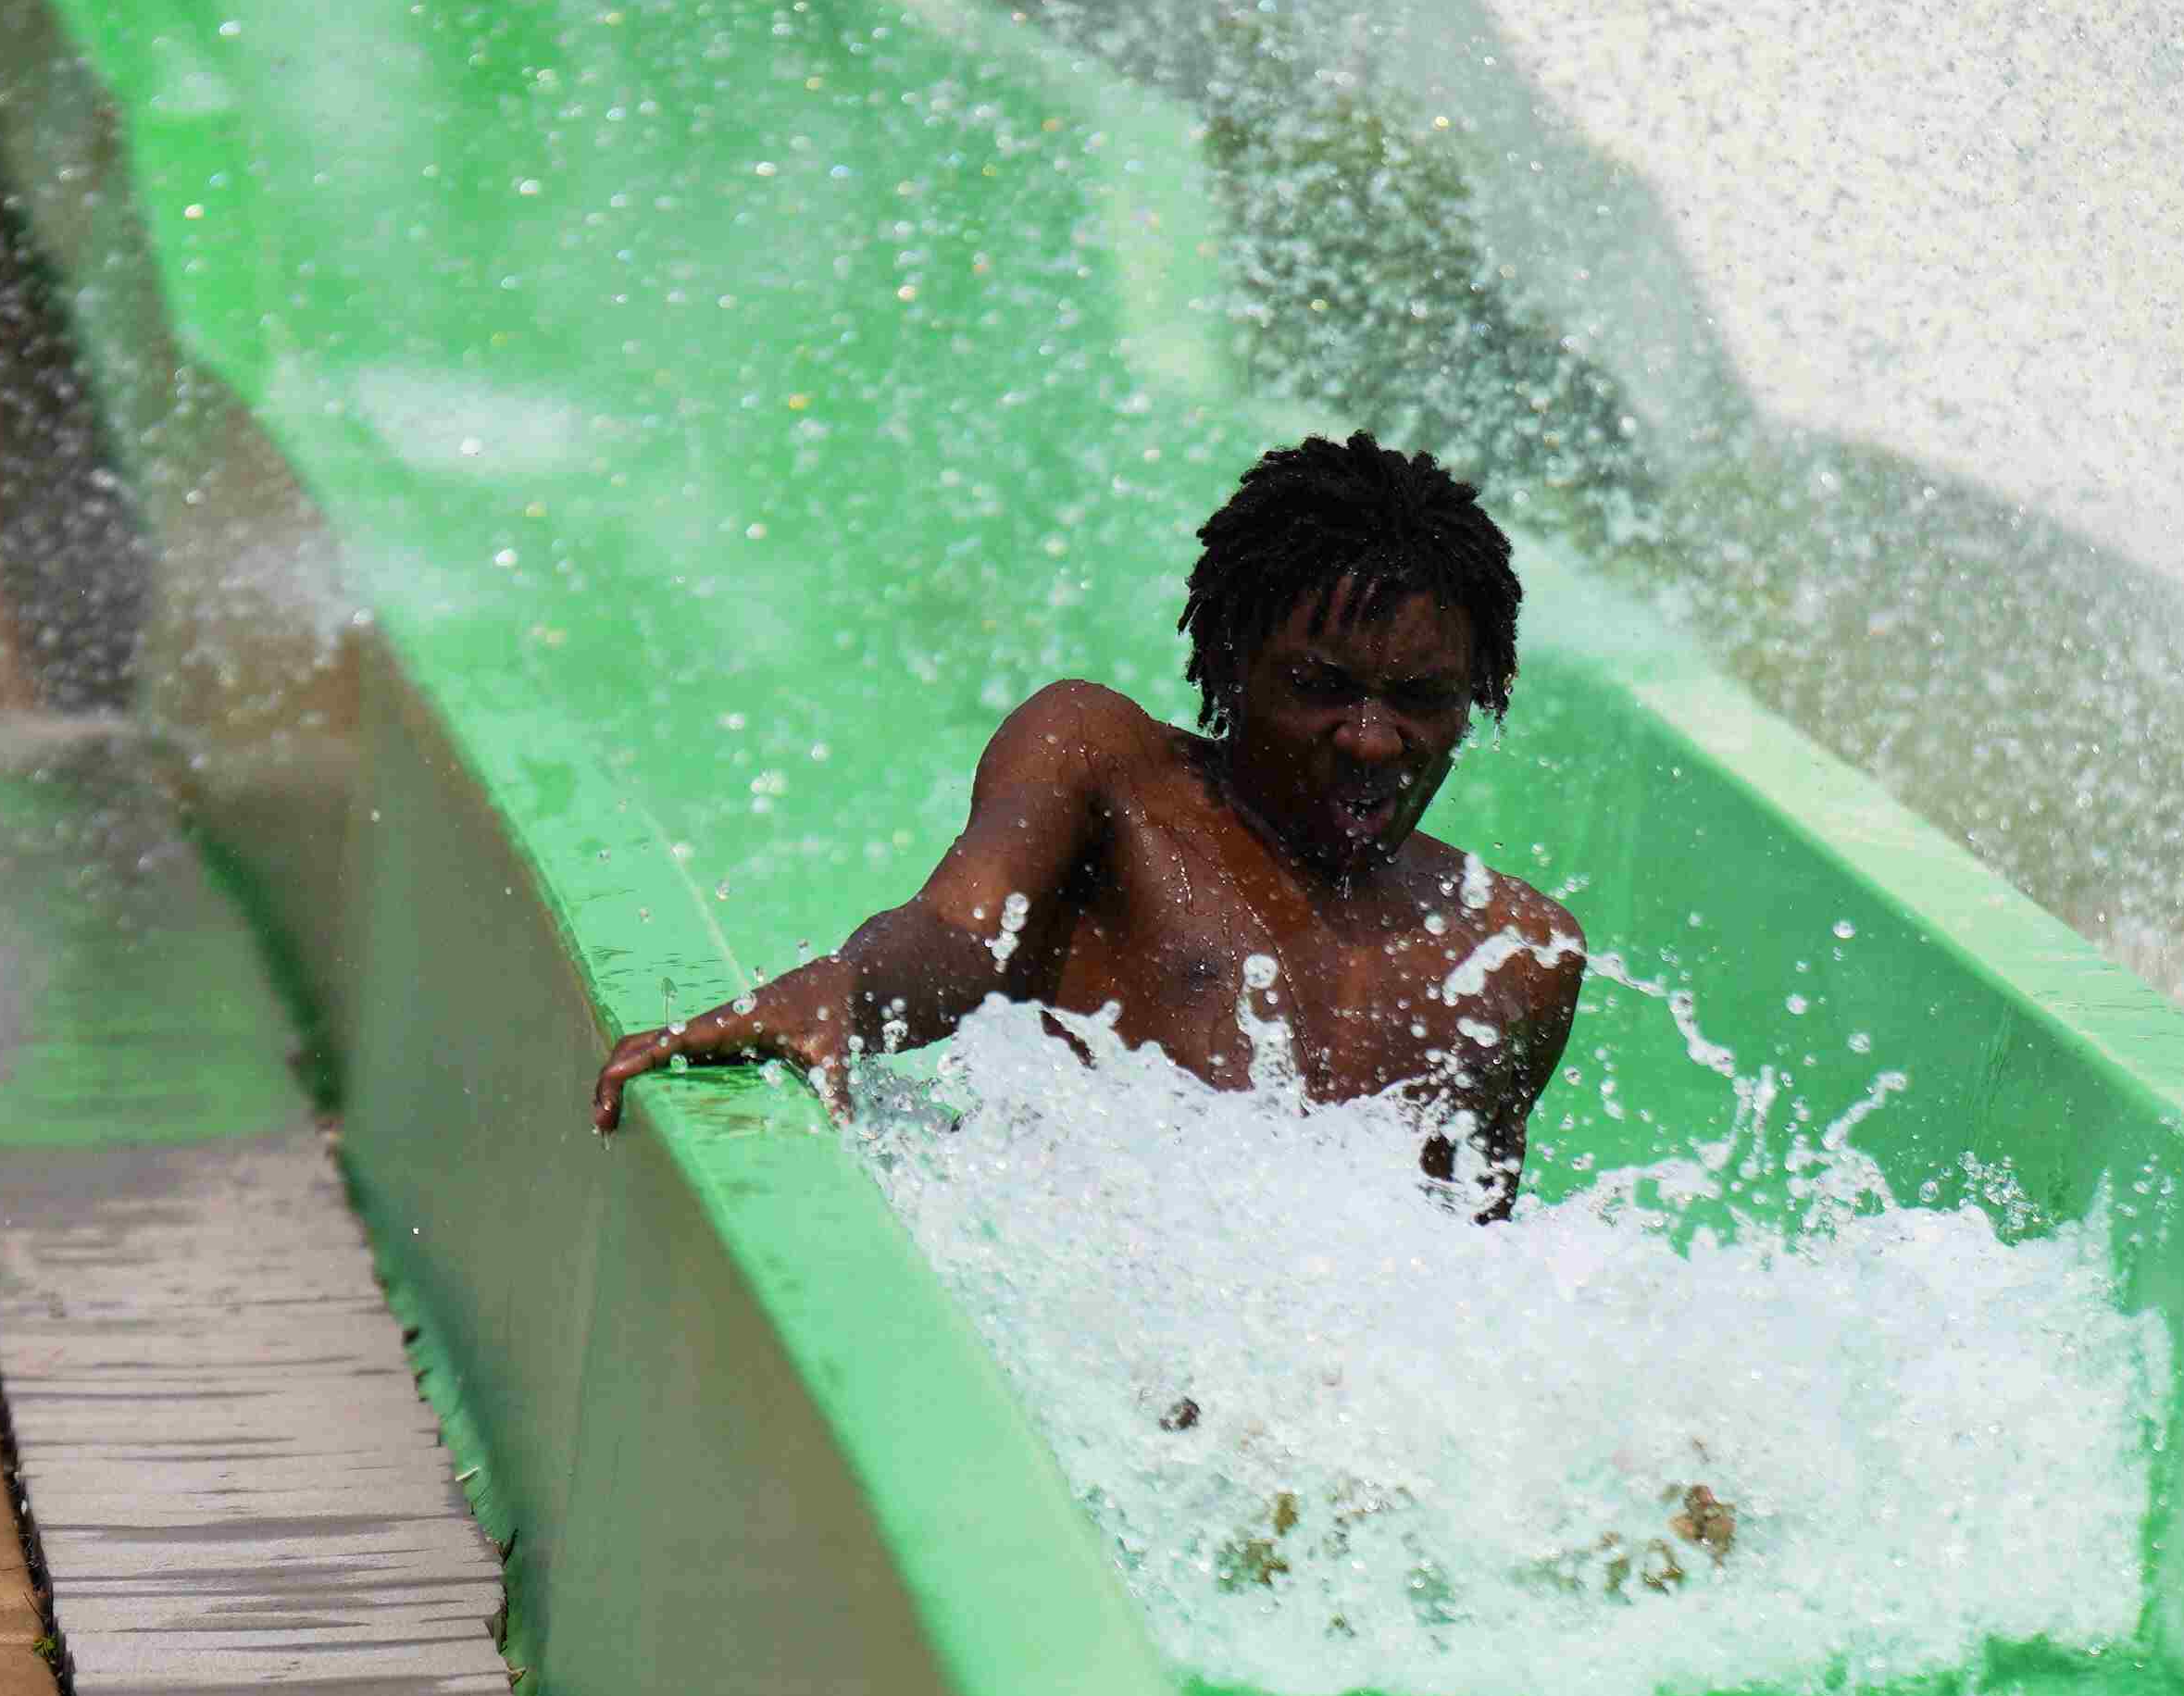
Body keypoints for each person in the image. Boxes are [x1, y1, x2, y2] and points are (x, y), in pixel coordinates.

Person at [592, 432, 1589, 1214]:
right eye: (1319, 687)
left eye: (1419, 698)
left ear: (1476, 699)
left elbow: (1468, 1275)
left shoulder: (1514, 954)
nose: (1373, 741)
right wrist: (848, 990)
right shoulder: (1105, 767)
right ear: (1230, 663)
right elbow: (960, 933)